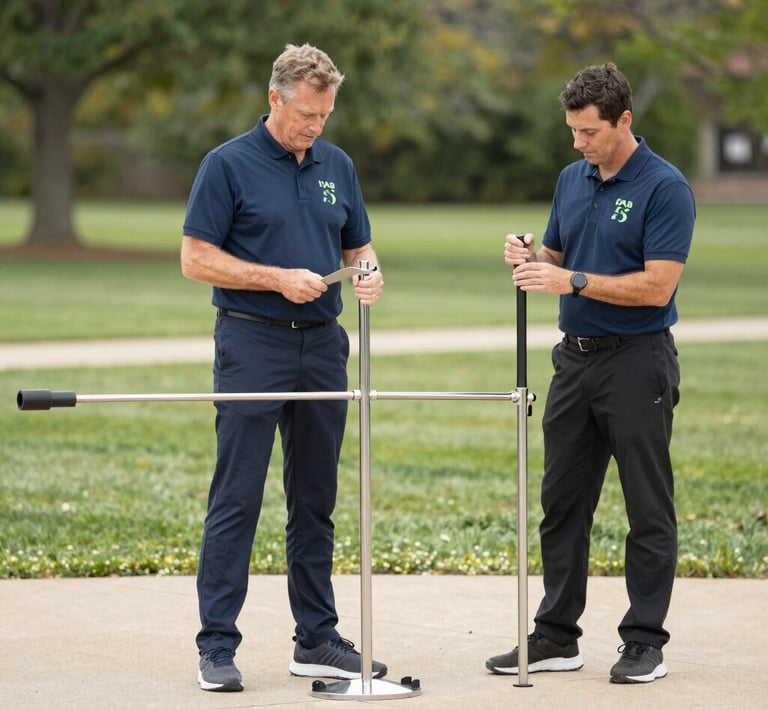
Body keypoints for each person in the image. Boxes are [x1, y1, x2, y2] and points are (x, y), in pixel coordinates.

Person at [181, 43, 386, 693]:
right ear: (274, 99)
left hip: (323, 345)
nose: (315, 126)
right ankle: (217, 644)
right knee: (237, 496)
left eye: (325, 114)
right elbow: (195, 258)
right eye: (305, 113)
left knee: (315, 495)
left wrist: (369, 271)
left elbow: (358, 244)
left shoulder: (338, 165)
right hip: (252, 343)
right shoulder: (227, 165)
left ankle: (316, 637)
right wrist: (274, 279)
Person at [485, 63, 695, 684]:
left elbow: (658, 287)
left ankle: (643, 642)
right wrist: (531, 255)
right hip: (573, 362)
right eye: (573, 131)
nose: (579, 143)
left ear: (624, 120)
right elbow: (556, 252)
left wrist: (570, 279)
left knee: (647, 507)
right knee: (562, 504)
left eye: (589, 132)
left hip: (638, 363)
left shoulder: (665, 187)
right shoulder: (572, 179)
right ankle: (555, 636)